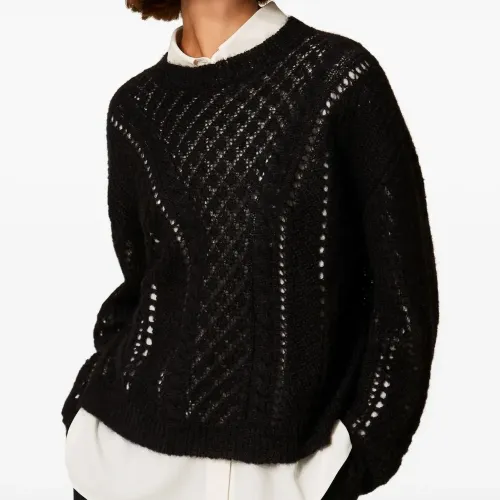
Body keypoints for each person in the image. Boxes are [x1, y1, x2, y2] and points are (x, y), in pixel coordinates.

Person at [61, 1, 440, 499]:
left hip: (282, 477)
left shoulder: (339, 80)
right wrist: (82, 410)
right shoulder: (135, 108)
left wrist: (358, 454)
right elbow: (141, 287)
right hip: (122, 467)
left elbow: (405, 303)